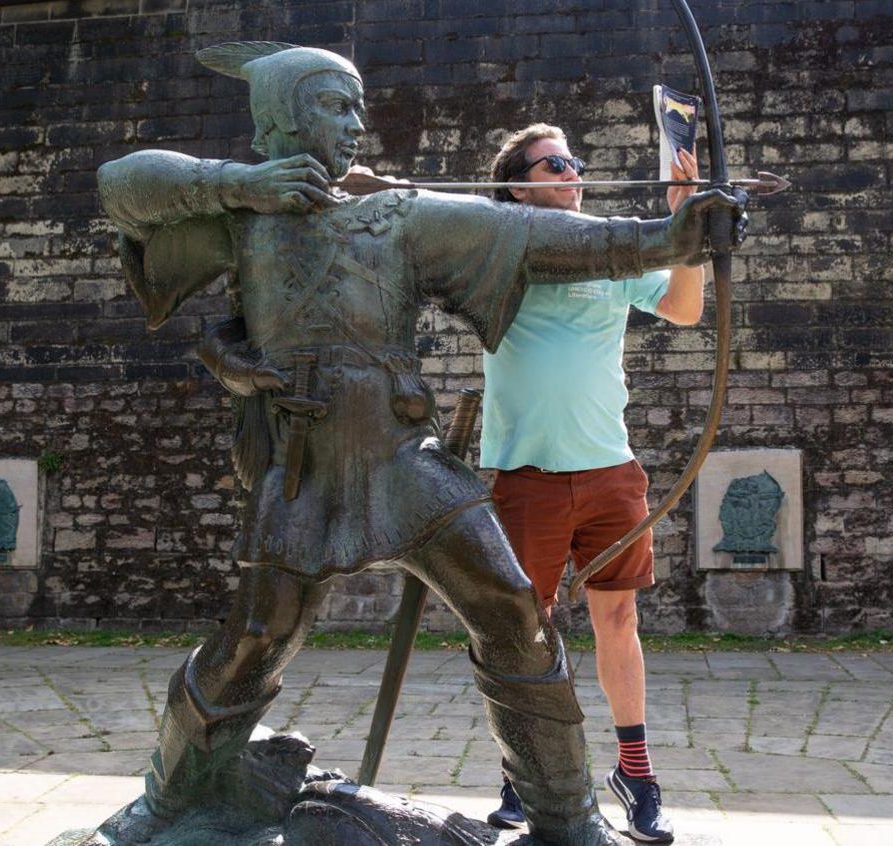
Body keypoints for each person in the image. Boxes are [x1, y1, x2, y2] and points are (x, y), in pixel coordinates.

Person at [90, 42, 744, 846]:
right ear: (278, 118)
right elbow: (119, 187)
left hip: (405, 461)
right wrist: (241, 187)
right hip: (301, 468)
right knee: (252, 642)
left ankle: (569, 822)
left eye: (358, 105)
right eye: (335, 104)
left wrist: (675, 236)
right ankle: (168, 796)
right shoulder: (242, 214)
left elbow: (552, 239)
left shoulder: (403, 216)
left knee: (512, 611)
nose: (356, 122)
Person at [480, 124, 706, 844]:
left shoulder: (612, 248)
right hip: (528, 475)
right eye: (556, 163)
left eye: (575, 162)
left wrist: (686, 223)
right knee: (528, 632)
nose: (573, 171)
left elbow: (684, 306)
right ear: (519, 184)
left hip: (609, 468)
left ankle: (635, 773)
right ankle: (527, 773)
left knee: (618, 621)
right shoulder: (497, 249)